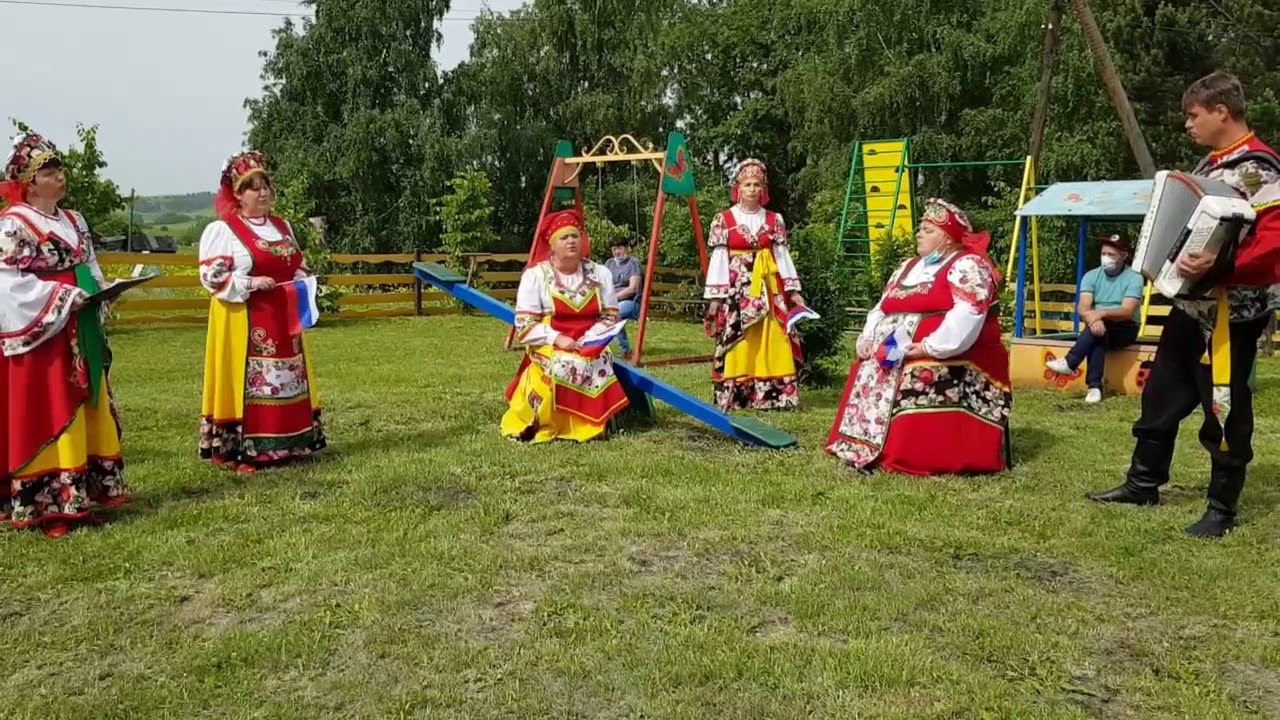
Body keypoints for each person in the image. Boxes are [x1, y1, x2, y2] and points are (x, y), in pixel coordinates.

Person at [1087, 71, 1280, 538]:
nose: (1187, 124)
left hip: (1232, 315)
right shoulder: (1212, 166)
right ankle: (1143, 483)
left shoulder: (1257, 167)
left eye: (1193, 115)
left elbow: (1274, 241)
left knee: (1224, 406)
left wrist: (1220, 269)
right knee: (1160, 395)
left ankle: (1221, 507)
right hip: (1190, 307)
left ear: (1221, 111)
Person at [0, 132, 129, 537]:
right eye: (49, 170)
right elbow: (6, 282)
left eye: (59, 168)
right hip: (43, 335)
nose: (60, 176)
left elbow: (88, 263)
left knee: (88, 400)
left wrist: (105, 290)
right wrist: (59, 297)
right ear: (29, 181)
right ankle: (49, 502)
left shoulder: (75, 220)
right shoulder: (13, 224)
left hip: (82, 324)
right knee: (52, 404)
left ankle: (86, 490)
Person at [826, 198, 1012, 475]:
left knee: (917, 374)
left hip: (956, 355)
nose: (920, 234)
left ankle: (905, 454)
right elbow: (882, 307)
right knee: (867, 366)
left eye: (929, 230)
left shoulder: (968, 265)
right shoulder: (908, 266)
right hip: (895, 347)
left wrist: (929, 346)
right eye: (921, 228)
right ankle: (863, 444)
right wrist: (866, 339)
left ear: (949, 239)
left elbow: (969, 313)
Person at [197, 151, 326, 472]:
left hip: (285, 317)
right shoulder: (224, 231)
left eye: (266, 185)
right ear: (238, 194)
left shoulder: (282, 226)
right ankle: (249, 450)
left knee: (287, 378)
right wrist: (251, 282)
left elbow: (297, 263)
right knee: (255, 383)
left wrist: (302, 278)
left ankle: (291, 441)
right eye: (253, 187)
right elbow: (211, 277)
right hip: (246, 321)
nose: (263, 192)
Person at [502, 209, 629, 442]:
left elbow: (610, 315)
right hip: (549, 340)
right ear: (551, 245)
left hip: (590, 340)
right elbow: (525, 324)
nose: (571, 241)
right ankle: (551, 423)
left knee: (598, 361)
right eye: (564, 237)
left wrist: (590, 338)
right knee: (563, 363)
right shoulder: (535, 276)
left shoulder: (600, 273)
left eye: (575, 235)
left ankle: (594, 425)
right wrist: (558, 339)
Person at [703, 159, 805, 411]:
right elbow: (718, 260)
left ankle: (775, 394)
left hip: (770, 291)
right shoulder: (724, 219)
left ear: (763, 188)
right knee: (741, 339)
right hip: (738, 292)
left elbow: (782, 257)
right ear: (738, 187)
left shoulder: (774, 220)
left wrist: (793, 291)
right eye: (747, 184)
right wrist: (716, 299)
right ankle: (739, 393)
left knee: (774, 337)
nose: (752, 189)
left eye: (757, 184)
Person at [1045, 234, 1144, 403]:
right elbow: (1083, 307)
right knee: (1098, 334)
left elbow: (1127, 311)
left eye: (1111, 255)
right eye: (1103, 253)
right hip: (1098, 325)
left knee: (1097, 331)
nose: (1105, 258)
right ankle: (1094, 388)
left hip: (1125, 328)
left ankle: (1073, 364)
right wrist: (1095, 319)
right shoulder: (1091, 276)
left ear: (1124, 255)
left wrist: (1101, 314)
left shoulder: (1134, 278)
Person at [605, 236, 643, 356]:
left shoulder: (633, 263)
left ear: (626, 248)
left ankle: (625, 350)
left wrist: (613, 298)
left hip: (632, 302)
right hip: (610, 301)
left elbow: (632, 288)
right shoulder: (609, 264)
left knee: (614, 313)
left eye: (620, 248)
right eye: (614, 249)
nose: (617, 252)